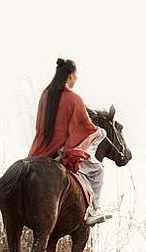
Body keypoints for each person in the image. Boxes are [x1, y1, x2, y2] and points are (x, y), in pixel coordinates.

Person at [27, 58, 112, 226]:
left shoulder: (45, 95)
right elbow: (85, 127)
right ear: (71, 76)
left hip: (39, 151)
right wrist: (100, 132)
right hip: (61, 152)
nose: (77, 78)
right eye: (76, 75)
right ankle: (94, 210)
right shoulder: (74, 98)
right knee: (97, 170)